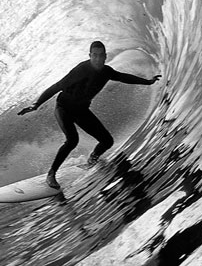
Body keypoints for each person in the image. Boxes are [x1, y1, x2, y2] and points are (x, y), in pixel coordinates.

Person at [18, 41, 161, 189]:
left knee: (107, 141)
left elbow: (124, 77)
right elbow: (57, 86)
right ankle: (51, 174)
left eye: (101, 56)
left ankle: (92, 160)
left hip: (81, 111)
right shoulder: (81, 70)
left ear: (105, 56)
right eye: (95, 55)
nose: (98, 59)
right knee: (72, 140)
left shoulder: (107, 72)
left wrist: (148, 82)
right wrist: (36, 104)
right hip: (64, 108)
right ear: (90, 55)